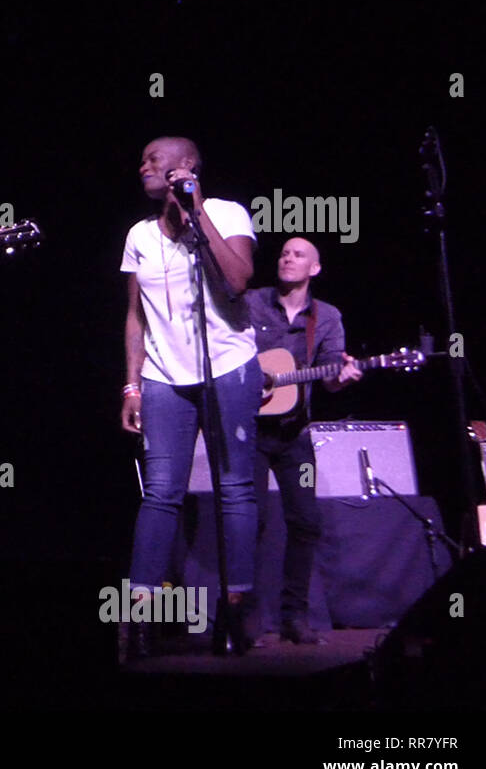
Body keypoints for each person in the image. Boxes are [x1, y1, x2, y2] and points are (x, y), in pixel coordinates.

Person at [119, 136, 262, 655]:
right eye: (142, 160)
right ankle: (137, 614)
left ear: (186, 167)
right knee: (160, 491)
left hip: (227, 364)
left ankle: (237, 608)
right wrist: (131, 384)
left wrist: (198, 210)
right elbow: (135, 316)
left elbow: (240, 279)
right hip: (162, 374)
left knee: (235, 486)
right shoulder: (139, 234)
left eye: (153, 160)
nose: (143, 167)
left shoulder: (227, 212)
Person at [247, 236, 362, 644]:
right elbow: (230, 358)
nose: (287, 259)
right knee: (250, 522)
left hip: (297, 434)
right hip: (250, 432)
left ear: (314, 268)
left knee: (306, 522)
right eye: (283, 253)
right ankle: (247, 618)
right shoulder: (252, 302)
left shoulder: (327, 317)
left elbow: (330, 379)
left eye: (298, 255)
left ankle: (295, 617)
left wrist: (341, 376)